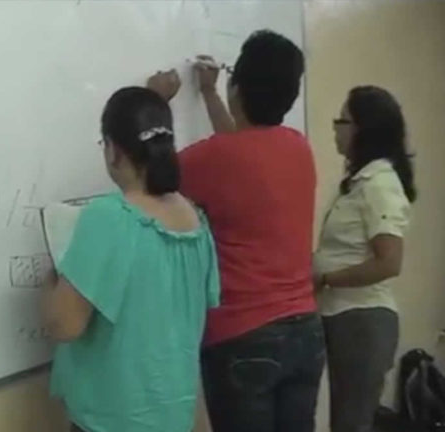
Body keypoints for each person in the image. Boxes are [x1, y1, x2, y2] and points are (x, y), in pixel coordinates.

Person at [148, 30, 323, 432]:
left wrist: (154, 103)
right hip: (305, 332)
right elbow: (243, 150)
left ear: (237, 87)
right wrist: (211, 94)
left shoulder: (214, 158)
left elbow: (151, 173)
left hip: (244, 336)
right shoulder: (298, 147)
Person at [44, 87, 221, 432]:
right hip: (176, 416)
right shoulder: (195, 220)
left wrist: (50, 282)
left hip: (115, 420)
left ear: (113, 150)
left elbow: (65, 324)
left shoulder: (108, 217)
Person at [313, 86, 415, 432]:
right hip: (342, 317)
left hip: (362, 320)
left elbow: (389, 263)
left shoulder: (380, 183)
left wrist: (325, 278)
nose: (335, 128)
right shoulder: (359, 182)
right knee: (345, 421)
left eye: (342, 121)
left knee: (351, 423)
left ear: (362, 129)